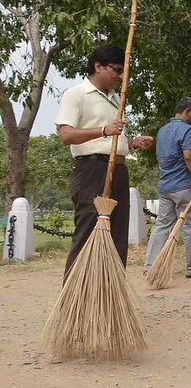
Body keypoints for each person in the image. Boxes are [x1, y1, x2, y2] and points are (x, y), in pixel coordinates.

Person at [55, 44, 153, 279]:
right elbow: (66, 135)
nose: (120, 77)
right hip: (91, 171)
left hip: (118, 169)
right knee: (88, 232)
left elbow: (113, 138)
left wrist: (132, 143)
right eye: (116, 70)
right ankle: (75, 300)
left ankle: (109, 298)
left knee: (117, 236)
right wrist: (103, 130)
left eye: (122, 72)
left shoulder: (115, 98)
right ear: (98, 66)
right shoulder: (76, 94)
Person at [142, 97, 191, 278]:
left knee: (161, 225)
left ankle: (151, 265)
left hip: (165, 186)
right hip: (184, 187)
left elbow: (160, 158)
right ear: (188, 111)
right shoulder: (187, 130)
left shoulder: (162, 131)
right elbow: (189, 156)